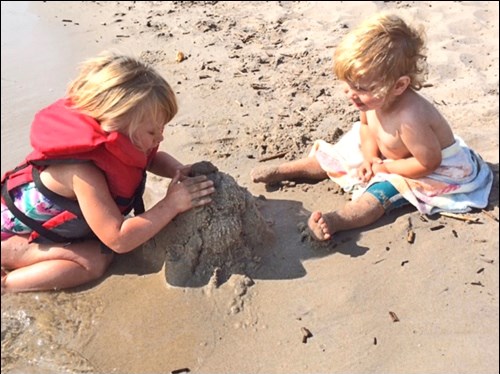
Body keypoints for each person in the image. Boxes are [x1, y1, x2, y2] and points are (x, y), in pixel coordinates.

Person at [251, 13, 493, 241]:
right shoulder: (373, 100)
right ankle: (285, 169)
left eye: (361, 88)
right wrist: (369, 158)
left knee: (381, 193)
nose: (351, 94)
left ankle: (338, 220)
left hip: (428, 169)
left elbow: (428, 163)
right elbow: (365, 129)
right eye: (347, 84)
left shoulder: (410, 118)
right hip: (386, 155)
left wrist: (384, 167)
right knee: (340, 154)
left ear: (398, 86)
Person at [1, 52, 215, 293]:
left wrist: (177, 169)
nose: (160, 138)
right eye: (152, 132)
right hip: (9, 233)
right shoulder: (82, 173)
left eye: (161, 129)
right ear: (114, 127)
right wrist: (171, 205)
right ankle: (8, 281)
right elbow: (119, 239)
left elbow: (151, 158)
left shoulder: (125, 139)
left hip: (45, 224)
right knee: (95, 261)